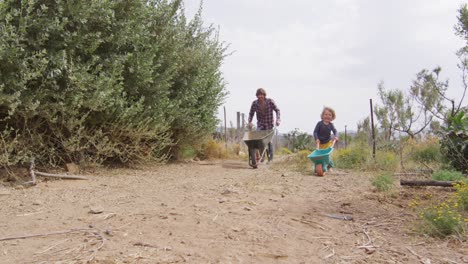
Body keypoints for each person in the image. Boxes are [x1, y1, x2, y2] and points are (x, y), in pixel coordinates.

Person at [247, 88, 281, 164]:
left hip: (269, 124)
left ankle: (270, 159)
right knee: (259, 140)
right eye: (258, 95)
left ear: (264, 95)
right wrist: (249, 121)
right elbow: (251, 113)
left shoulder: (270, 101)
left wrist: (278, 119)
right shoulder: (255, 104)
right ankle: (261, 157)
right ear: (257, 96)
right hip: (260, 124)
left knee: (269, 141)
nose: (260, 96)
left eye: (261, 95)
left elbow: (277, 110)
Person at [313, 107, 339, 171]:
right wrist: (316, 139)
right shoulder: (319, 124)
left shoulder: (331, 125)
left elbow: (335, 131)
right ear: (322, 116)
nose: (327, 116)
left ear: (332, 117)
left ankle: (329, 166)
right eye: (326, 114)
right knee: (319, 156)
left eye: (329, 115)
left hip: (328, 143)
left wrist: (336, 136)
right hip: (319, 143)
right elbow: (315, 132)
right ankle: (318, 166)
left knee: (327, 155)